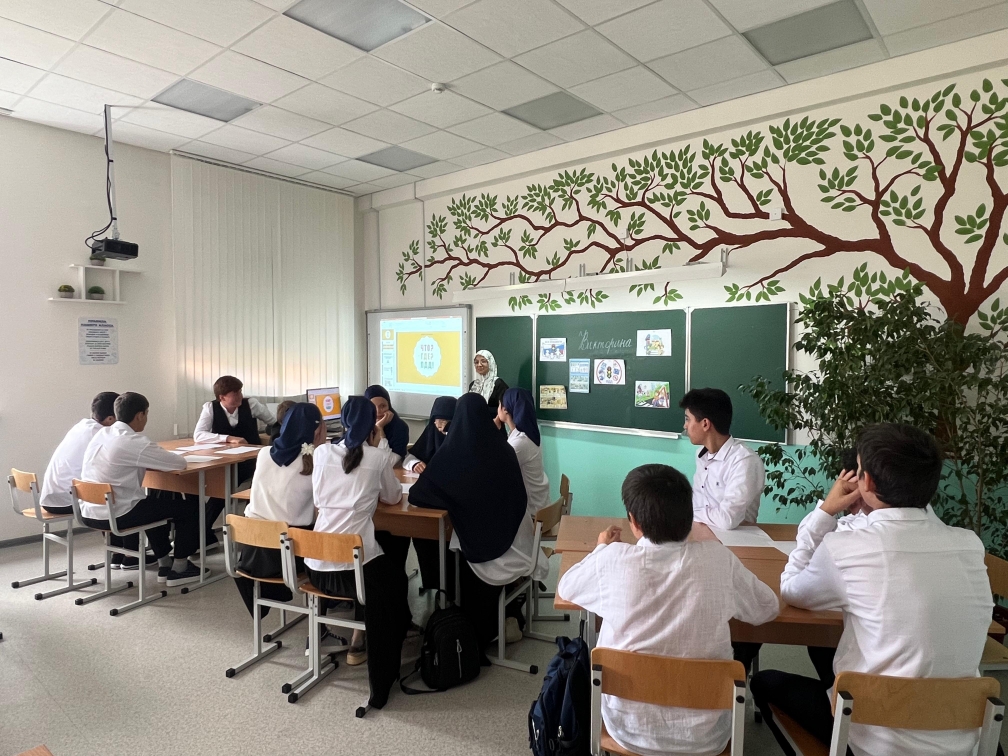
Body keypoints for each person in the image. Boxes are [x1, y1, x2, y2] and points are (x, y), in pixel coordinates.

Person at [751, 424, 994, 756]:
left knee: (764, 682)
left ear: (867, 482)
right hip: (961, 736)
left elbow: (793, 591)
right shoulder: (969, 545)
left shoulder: (847, 547)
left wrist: (824, 512)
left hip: (871, 736)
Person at [557, 463, 779, 756]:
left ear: (633, 521)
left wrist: (601, 548)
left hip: (627, 728)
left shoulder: (613, 560)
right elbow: (767, 608)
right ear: (689, 516)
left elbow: (567, 587)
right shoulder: (717, 559)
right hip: (706, 736)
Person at [410, 393, 548, 650]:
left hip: (486, 553)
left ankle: (474, 619)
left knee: (444, 547)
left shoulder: (454, 453)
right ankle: (507, 615)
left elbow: (418, 495)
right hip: (518, 538)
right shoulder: (505, 449)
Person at [307, 396, 412, 709]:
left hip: (317, 568)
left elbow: (317, 499)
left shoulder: (322, 452)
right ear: (372, 426)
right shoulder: (377, 458)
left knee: (382, 568)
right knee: (396, 580)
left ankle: (351, 640)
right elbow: (393, 497)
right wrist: (377, 449)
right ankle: (384, 663)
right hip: (357, 573)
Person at [79, 392, 206, 587]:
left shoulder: (102, 434)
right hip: (117, 513)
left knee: (153, 501)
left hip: (89, 511)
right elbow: (179, 463)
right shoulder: (133, 441)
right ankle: (180, 567)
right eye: (146, 414)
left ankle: (165, 562)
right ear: (140, 415)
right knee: (190, 508)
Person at [233, 403, 325, 618]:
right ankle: (325, 618)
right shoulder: (317, 460)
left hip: (253, 551)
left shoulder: (264, 453)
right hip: (292, 554)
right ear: (317, 430)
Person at [194, 375, 274, 545]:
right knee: (219, 490)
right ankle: (201, 534)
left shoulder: (251, 404)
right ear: (222, 397)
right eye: (235, 393)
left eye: (240, 391)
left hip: (252, 460)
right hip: (226, 461)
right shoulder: (210, 408)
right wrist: (228, 438)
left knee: (238, 488)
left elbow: (273, 422)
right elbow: (199, 435)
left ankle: (204, 532)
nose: (239, 395)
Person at [680, 388, 765, 530]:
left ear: (705, 424)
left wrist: (689, 514)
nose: (685, 425)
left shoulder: (744, 461)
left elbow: (727, 519)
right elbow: (698, 503)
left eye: (688, 419)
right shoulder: (701, 455)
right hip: (700, 532)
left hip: (736, 540)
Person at [404, 396, 458, 597]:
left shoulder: (460, 436)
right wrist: (414, 464)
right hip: (429, 503)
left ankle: (450, 586)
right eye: (435, 419)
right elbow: (409, 455)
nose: (438, 425)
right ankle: (433, 581)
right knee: (422, 535)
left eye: (444, 420)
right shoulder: (431, 431)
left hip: (450, 508)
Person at [497, 388, 550, 516]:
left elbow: (496, 469)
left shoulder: (520, 442)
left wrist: (490, 432)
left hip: (532, 512)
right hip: (541, 504)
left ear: (505, 409)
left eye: (499, 405)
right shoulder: (528, 433)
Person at [402, 396, 456, 474]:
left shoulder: (463, 437)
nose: (440, 427)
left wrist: (449, 432)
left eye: (445, 422)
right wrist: (415, 464)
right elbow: (409, 457)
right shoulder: (431, 431)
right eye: (437, 421)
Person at [363, 384, 409, 464]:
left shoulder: (400, 428)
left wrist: (380, 429)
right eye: (373, 406)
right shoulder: (360, 425)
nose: (378, 411)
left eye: (383, 406)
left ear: (389, 406)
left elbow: (389, 462)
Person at [468, 350, 508, 416]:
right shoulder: (473, 385)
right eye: (476, 362)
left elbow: (504, 408)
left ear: (490, 363)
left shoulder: (498, 383)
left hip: (493, 420)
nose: (479, 365)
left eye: (483, 361)